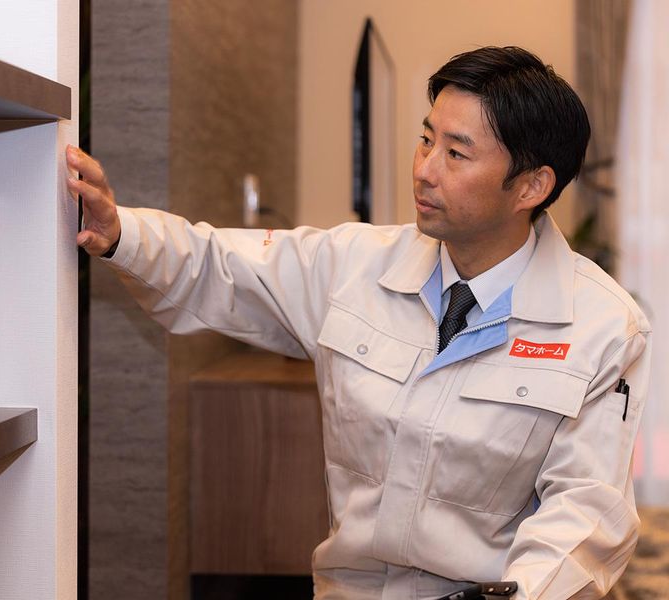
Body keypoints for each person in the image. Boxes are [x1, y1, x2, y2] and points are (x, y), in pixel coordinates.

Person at [66, 46, 651, 600]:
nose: (424, 170)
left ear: (531, 185)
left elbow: (585, 510)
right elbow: (217, 264)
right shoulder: (353, 265)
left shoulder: (602, 325)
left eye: (456, 153)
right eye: (426, 140)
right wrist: (120, 233)